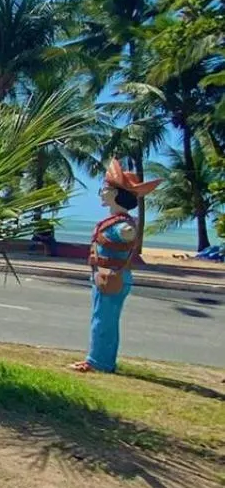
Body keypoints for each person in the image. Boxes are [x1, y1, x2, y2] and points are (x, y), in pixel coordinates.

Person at [73, 158, 160, 374]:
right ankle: (100, 360)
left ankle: (98, 362)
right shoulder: (117, 222)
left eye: (105, 188)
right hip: (105, 276)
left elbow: (127, 234)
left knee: (104, 321)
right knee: (102, 318)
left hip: (113, 277)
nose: (102, 192)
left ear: (115, 193)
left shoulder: (122, 225)